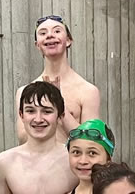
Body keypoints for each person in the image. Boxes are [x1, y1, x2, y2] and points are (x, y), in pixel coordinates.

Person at [15, 15, 101, 143]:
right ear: (37, 45)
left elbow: (90, 141)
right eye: (43, 33)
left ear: (68, 40)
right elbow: (22, 138)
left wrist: (59, 105)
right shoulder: (24, 92)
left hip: (70, 162)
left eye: (56, 31)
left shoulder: (88, 91)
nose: (49, 35)